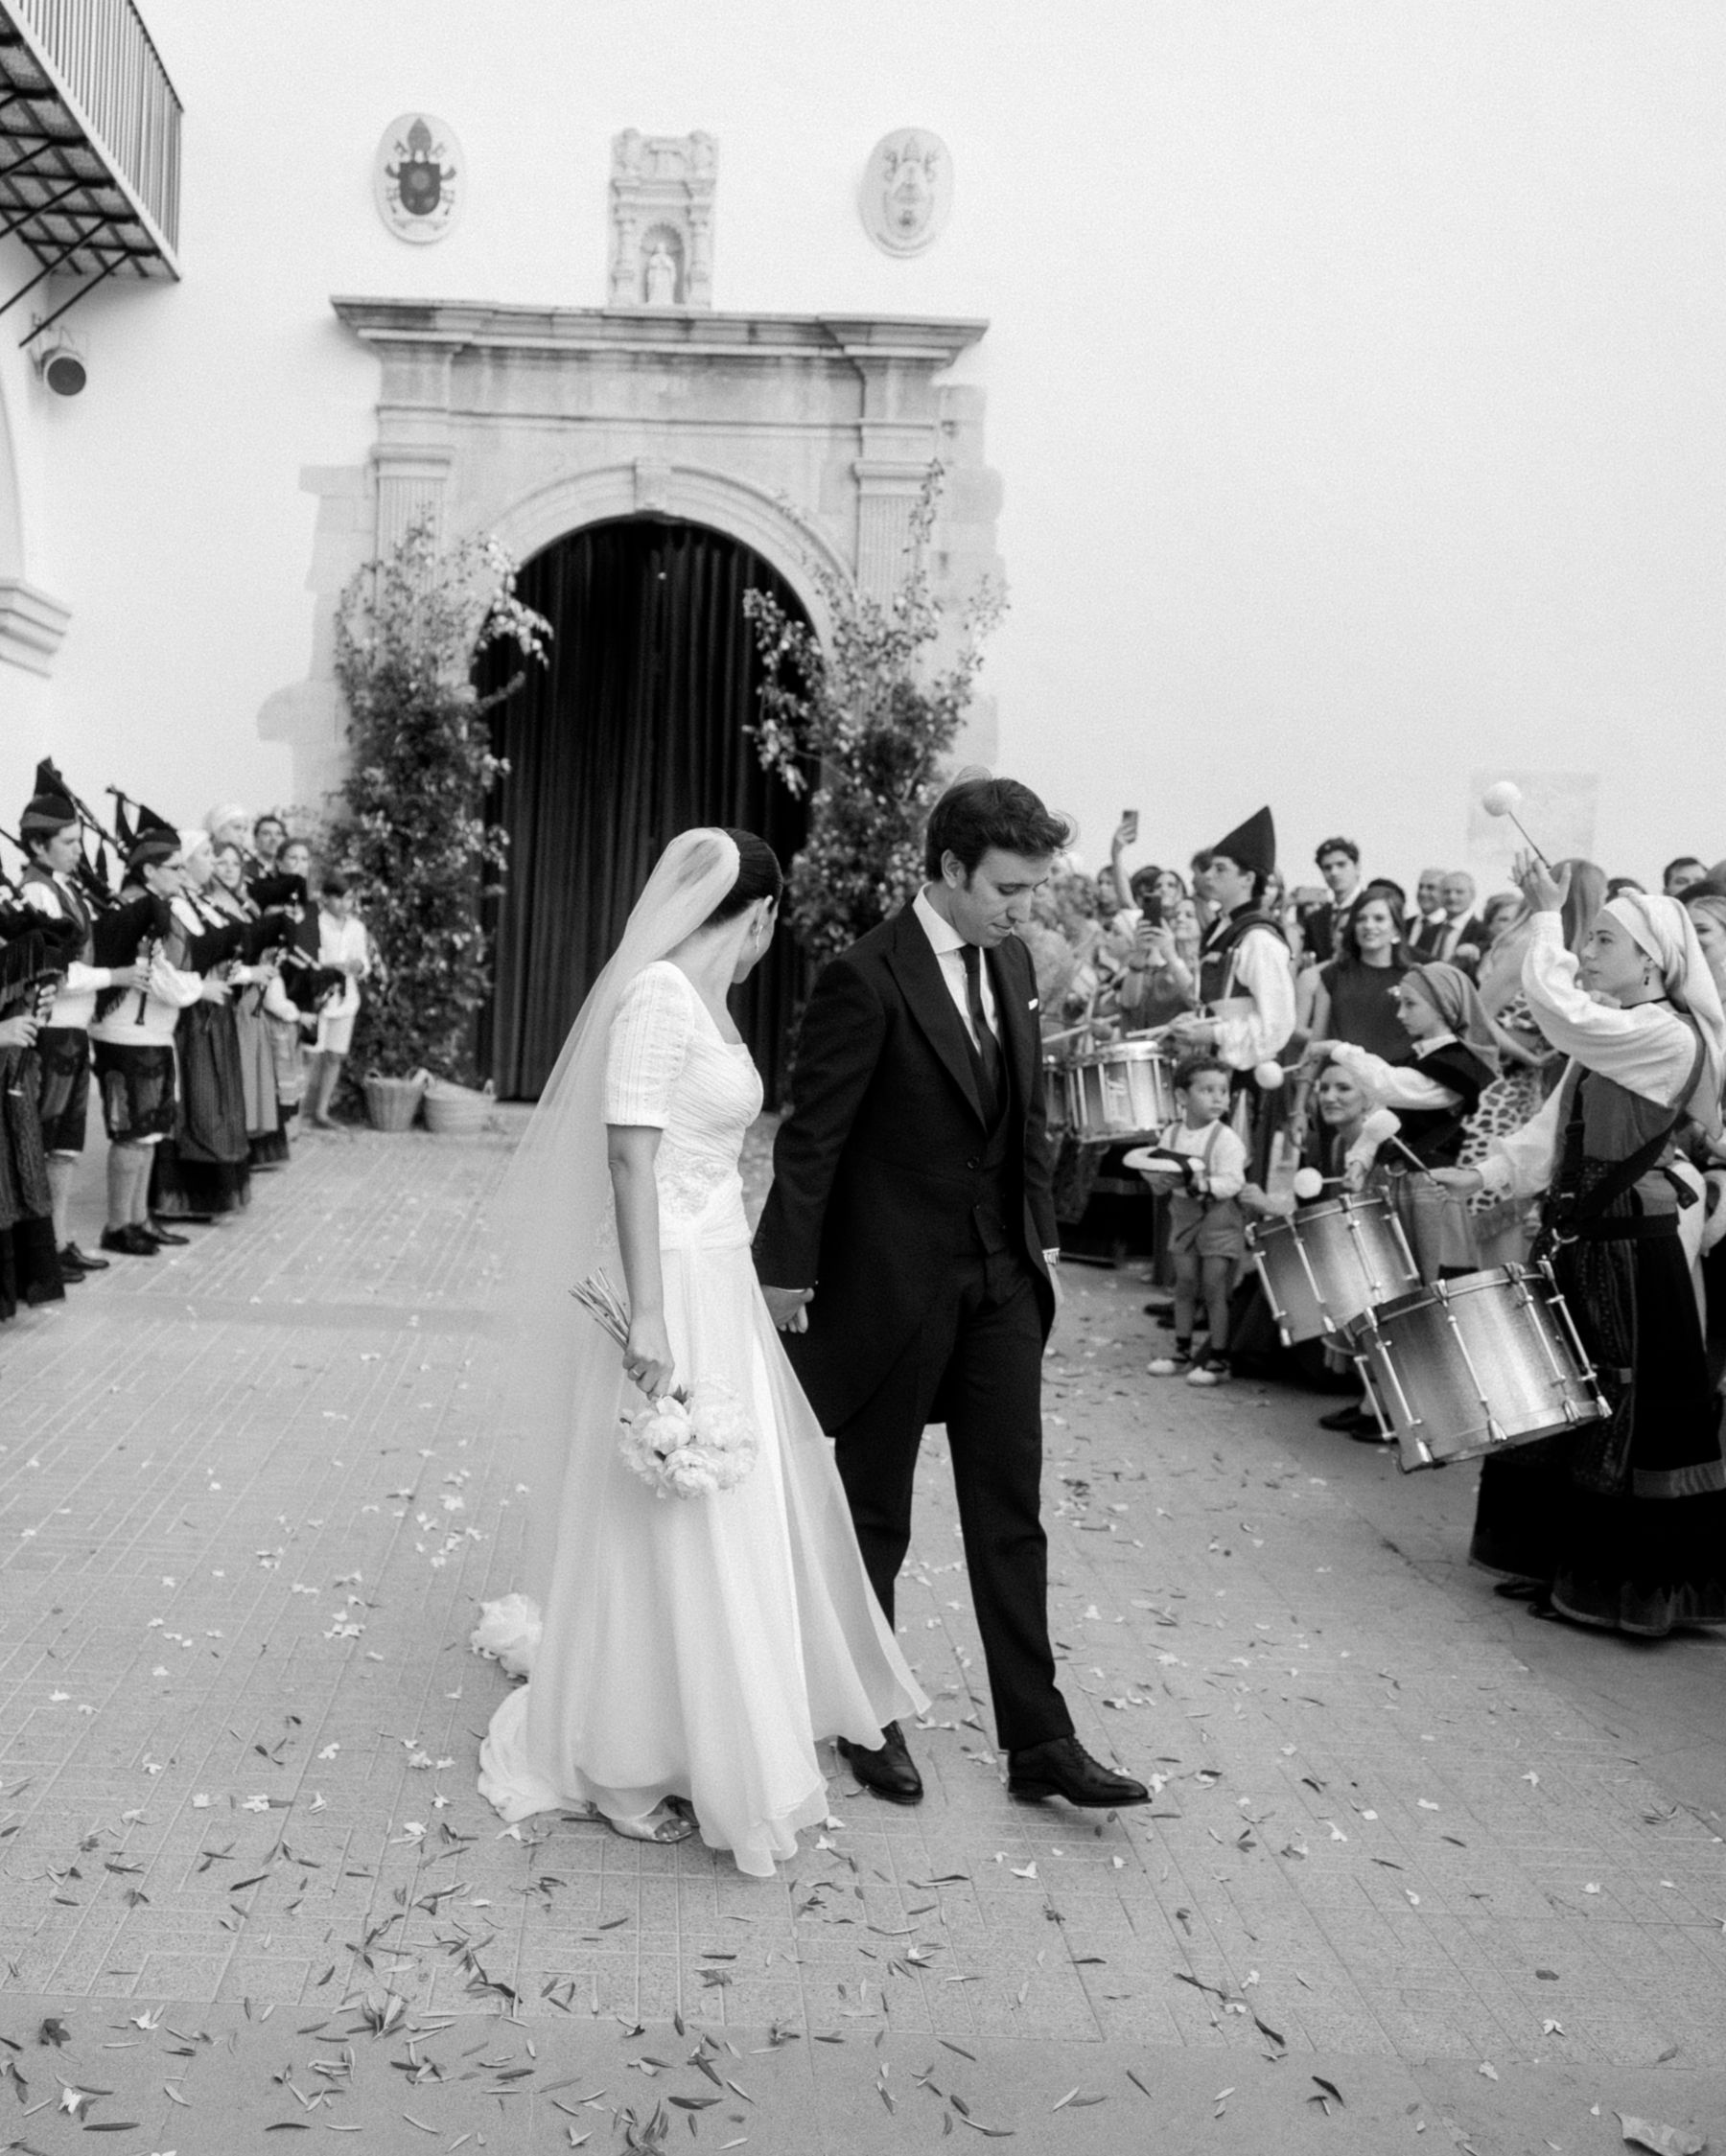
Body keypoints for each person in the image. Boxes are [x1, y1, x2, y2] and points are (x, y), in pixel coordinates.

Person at [475, 828, 924, 1874]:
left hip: (719, 1267)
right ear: (761, 915)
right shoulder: (660, 997)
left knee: (723, 1500)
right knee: (660, 1505)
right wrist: (650, 1312)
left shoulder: (710, 1003)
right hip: (670, 1272)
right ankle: (625, 1755)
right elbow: (630, 1156)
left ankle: (708, 1717)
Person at [753, 776, 1149, 1816]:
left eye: (1032, 888)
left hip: (1003, 1278)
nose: (1023, 909)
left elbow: (1023, 1117)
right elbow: (814, 1137)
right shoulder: (865, 975)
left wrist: (1044, 1242)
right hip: (893, 1283)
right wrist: (782, 1275)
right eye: (1007, 888)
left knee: (1009, 1508)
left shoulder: (1012, 959)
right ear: (947, 870)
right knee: (876, 1510)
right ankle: (864, 1709)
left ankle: (1041, 1738)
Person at [1437, 861, 1726, 1636]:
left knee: (1616, 1410)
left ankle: (1610, 1584)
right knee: (1563, 1401)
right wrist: (1485, 1172)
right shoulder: (1616, 1032)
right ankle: (1557, 1562)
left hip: (1631, 1250)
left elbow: (1560, 1014)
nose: (1590, 951)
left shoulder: (1664, 1034)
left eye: (1605, 940)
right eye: (1590, 938)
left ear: (1653, 961)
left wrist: (1545, 917)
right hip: (1582, 1237)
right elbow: (1553, 1130)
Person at [16, 776, 143, 1277]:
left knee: (65, 1149)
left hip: (72, 1030)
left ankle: (60, 1240)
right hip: (50, 1033)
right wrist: (115, 975)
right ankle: (41, 1249)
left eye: (78, 841)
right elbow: (52, 972)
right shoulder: (36, 893)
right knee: (47, 1145)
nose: (77, 851)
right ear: (36, 845)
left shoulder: (64, 889)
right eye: (67, 843)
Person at [1312, 961, 1498, 1282]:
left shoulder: (1458, 1064)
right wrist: (1361, 1158)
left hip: (1436, 1188)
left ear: (1443, 1006)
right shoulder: (1419, 1061)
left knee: (1439, 1287)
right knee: (1402, 1283)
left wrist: (1339, 1049)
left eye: (1410, 1004)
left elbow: (1390, 1087)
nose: (1400, 1014)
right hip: (1402, 1184)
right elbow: (1387, 1117)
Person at [87, 817, 204, 1256]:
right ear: (149, 870)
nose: (182, 874)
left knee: (152, 1133)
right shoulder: (132, 910)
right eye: (174, 867)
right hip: (125, 1032)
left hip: (154, 1030)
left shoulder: (159, 907)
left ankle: (139, 1219)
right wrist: (199, 989)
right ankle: (117, 1225)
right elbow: (159, 976)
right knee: (131, 1132)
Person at [1167, 806, 1295, 1182]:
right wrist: (1196, 1021)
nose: (1208, 876)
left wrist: (1214, 1034)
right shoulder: (1225, 930)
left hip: (1240, 1084)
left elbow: (1277, 1026)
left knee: (1229, 1180)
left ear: (1247, 878)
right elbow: (1221, 1003)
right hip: (1211, 1076)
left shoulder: (1257, 938)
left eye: (1220, 869)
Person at [1136, 1054, 1246, 1385]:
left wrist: (1205, 1185)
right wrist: (1159, 1181)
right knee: (1184, 1283)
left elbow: (1234, 1180)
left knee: (1214, 1286)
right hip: (1182, 1215)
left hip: (1218, 1217)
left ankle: (1218, 1359)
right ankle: (1182, 1352)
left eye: (1223, 1091)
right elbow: (1156, 1168)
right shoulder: (1171, 1134)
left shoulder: (1225, 1138)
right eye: (1207, 1090)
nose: (1218, 1098)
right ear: (1183, 1097)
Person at [305, 873, 370, 1128]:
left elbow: (362, 962)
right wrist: (332, 965)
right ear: (326, 898)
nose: (345, 904)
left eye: (349, 898)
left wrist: (358, 966)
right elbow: (311, 960)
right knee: (311, 1055)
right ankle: (299, 1111)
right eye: (339, 898)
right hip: (319, 997)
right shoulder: (316, 923)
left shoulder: (356, 927)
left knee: (335, 1055)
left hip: (346, 999)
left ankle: (322, 1111)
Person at [1300, 836, 1364, 967]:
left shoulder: (1373, 909)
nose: (1334, 872)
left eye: (1341, 864)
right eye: (1327, 868)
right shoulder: (1315, 919)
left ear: (1357, 867)